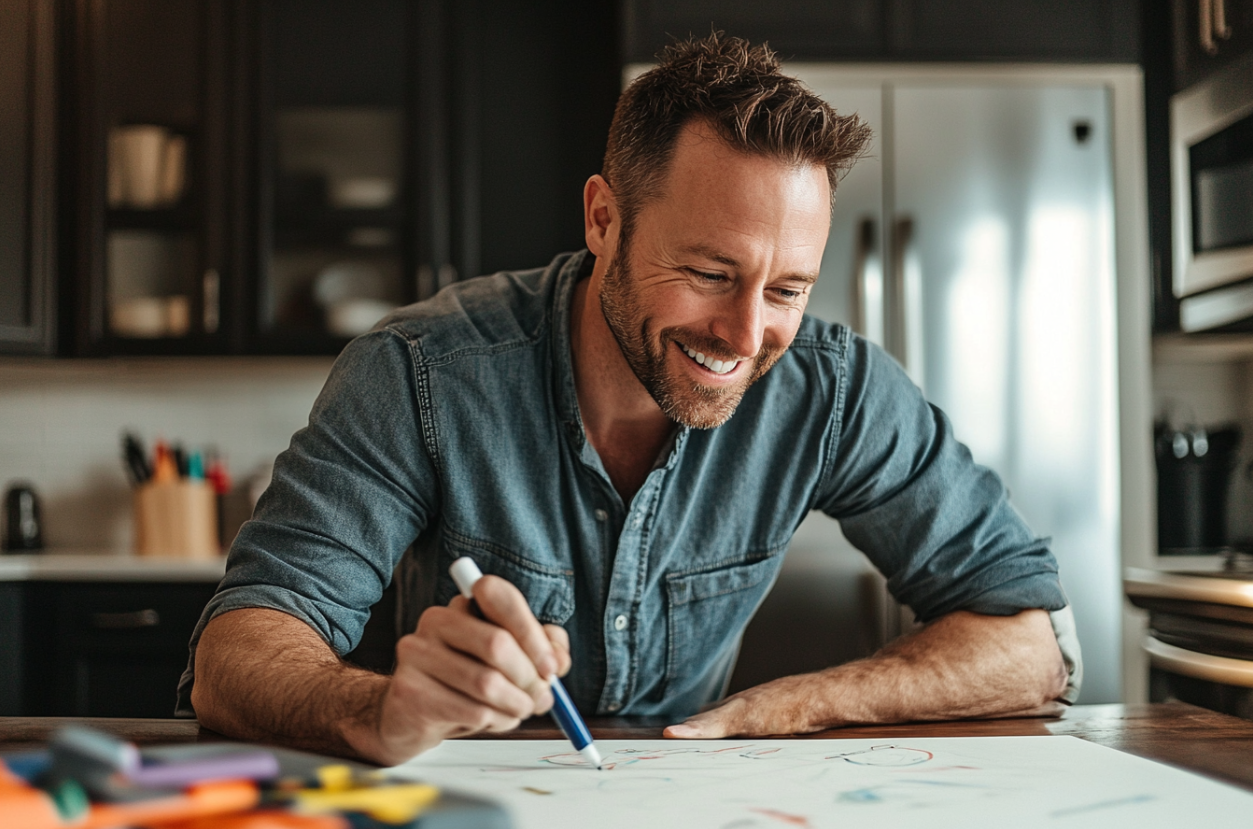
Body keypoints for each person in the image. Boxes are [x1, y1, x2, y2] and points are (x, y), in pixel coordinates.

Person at [182, 33, 1080, 766]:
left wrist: (802, 704)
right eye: (707, 272)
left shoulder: (833, 389)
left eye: (786, 289)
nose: (742, 332)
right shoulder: (419, 373)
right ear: (603, 220)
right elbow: (236, 655)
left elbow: (1029, 642)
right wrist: (381, 709)